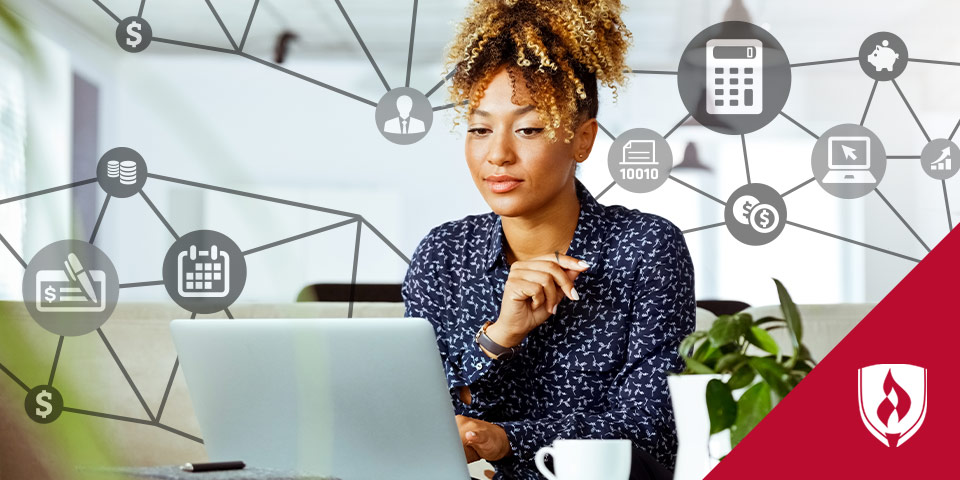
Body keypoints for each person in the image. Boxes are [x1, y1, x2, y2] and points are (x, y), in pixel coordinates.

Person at [402, 1, 695, 478]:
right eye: (479, 129)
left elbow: (654, 430)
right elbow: (411, 421)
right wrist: (500, 337)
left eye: (529, 129)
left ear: (583, 140)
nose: (498, 154)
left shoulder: (646, 247)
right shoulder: (443, 255)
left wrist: (507, 440)